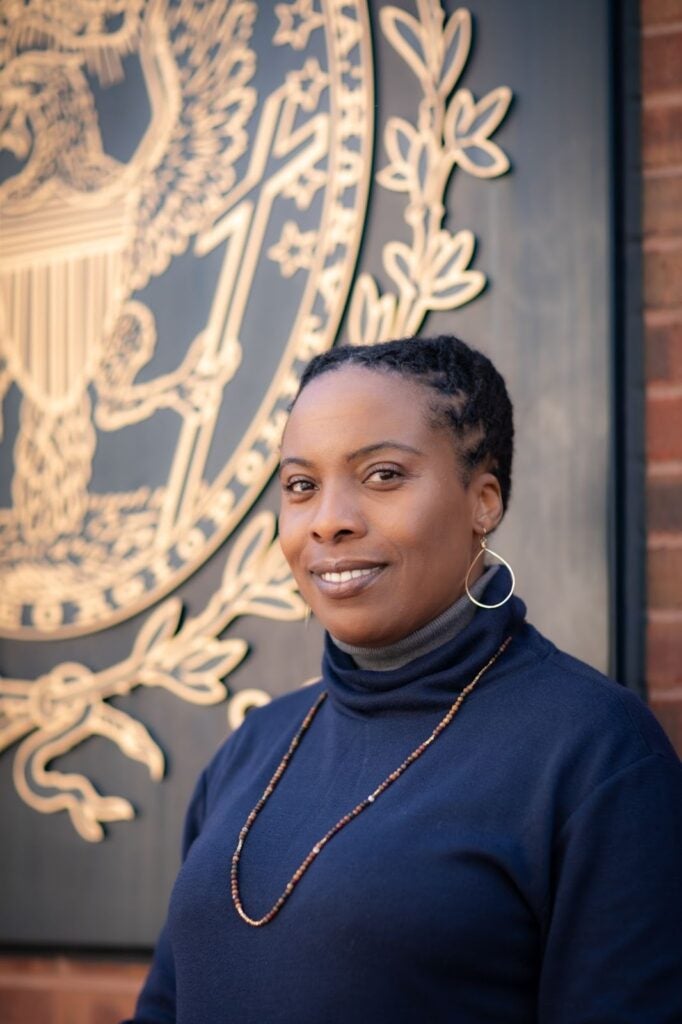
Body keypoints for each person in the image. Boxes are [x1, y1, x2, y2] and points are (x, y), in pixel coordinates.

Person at [126, 335, 682, 1024]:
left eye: (383, 475)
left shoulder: (596, 753)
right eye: (301, 486)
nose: (328, 522)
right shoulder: (253, 748)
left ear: (484, 500)